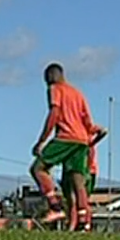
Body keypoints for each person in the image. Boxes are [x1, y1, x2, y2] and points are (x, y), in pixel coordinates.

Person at [30, 63, 97, 227]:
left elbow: (55, 113)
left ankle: (55, 206)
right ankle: (83, 223)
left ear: (51, 76)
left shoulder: (55, 89)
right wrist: (95, 131)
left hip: (66, 137)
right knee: (78, 182)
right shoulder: (78, 93)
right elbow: (87, 120)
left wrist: (42, 141)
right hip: (81, 141)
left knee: (38, 168)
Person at [63, 126, 106, 231]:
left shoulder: (85, 131)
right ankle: (77, 224)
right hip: (74, 168)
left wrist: (92, 143)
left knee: (79, 198)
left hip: (86, 169)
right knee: (73, 198)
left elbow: (102, 131)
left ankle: (82, 224)